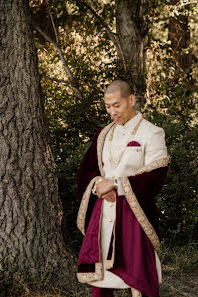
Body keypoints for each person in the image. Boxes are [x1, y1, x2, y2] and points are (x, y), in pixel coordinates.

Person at [75, 80, 169, 297]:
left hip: (135, 216)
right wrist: (99, 184)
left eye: (116, 105)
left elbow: (156, 176)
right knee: (101, 280)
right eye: (107, 107)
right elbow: (86, 171)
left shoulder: (152, 132)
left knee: (138, 278)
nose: (112, 112)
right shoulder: (103, 134)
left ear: (131, 100)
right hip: (103, 216)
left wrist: (116, 184)